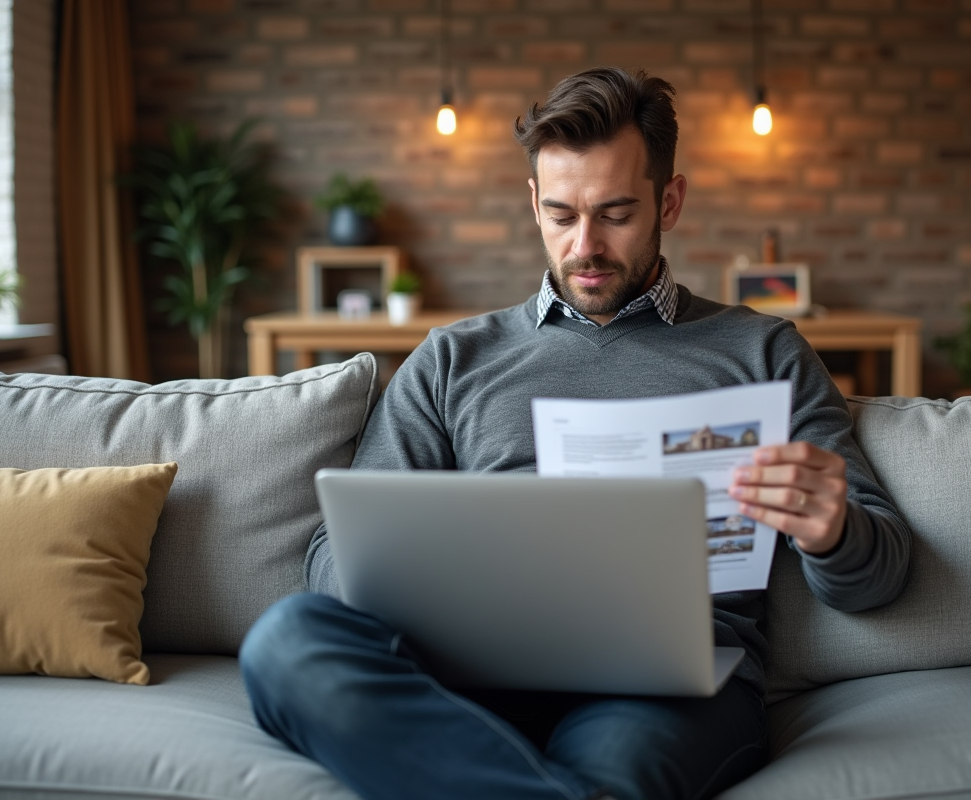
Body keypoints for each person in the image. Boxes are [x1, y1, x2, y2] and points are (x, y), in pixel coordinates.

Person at [240, 67, 911, 800]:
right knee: (285, 641)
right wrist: (422, 582)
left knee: (608, 779)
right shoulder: (452, 358)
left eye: (616, 214)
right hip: (464, 668)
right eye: (561, 215)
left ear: (670, 201)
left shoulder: (762, 351)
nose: (585, 245)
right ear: (533, 203)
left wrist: (833, 531)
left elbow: (881, 573)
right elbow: (333, 553)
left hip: (664, 690)